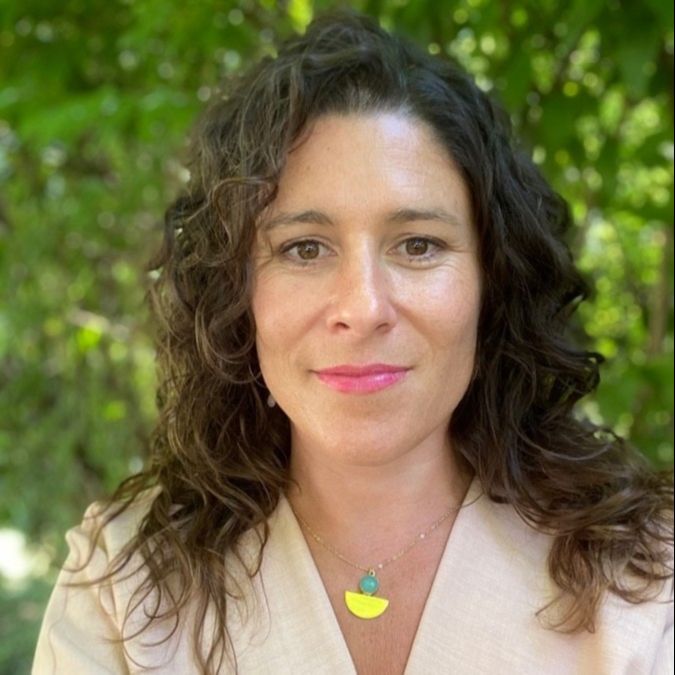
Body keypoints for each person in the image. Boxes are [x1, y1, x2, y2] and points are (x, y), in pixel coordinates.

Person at [33, 10, 673, 675]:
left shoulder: (647, 581)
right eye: (304, 248)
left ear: (494, 281)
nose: (363, 308)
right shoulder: (126, 587)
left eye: (417, 245)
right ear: (234, 292)